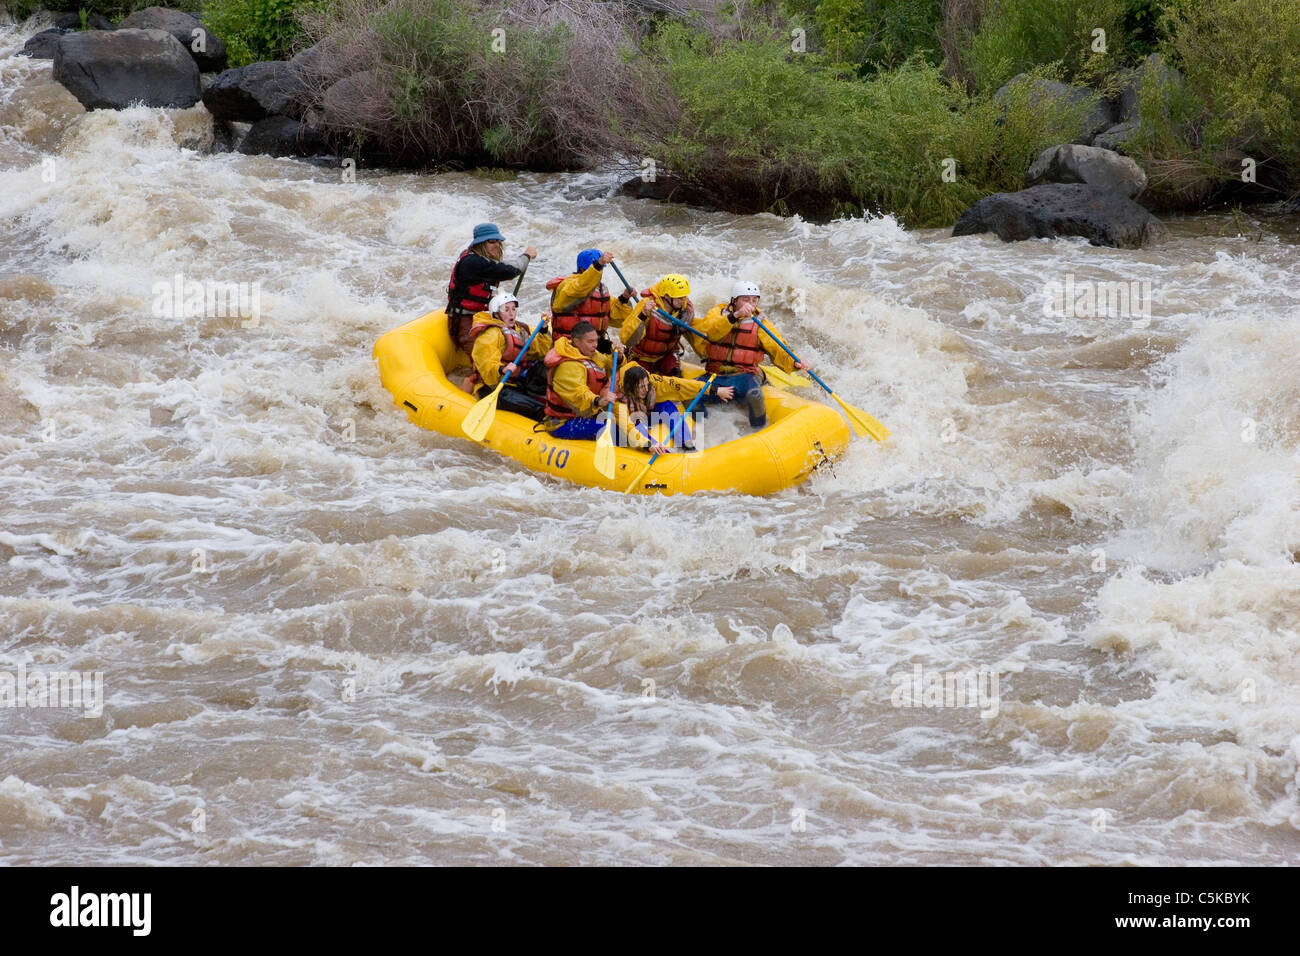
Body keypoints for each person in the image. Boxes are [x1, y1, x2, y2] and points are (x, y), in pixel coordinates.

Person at [690, 280, 808, 430]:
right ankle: (704, 426)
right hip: (716, 374)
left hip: (744, 375)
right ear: (734, 300)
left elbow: (778, 346)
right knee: (689, 393)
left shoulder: (760, 323)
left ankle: (758, 430)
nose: (750, 304)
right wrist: (736, 315)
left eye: (754, 300)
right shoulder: (717, 314)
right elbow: (712, 333)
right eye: (745, 299)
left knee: (754, 395)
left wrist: (794, 362)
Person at [446, 222, 537, 354]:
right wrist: (527, 256)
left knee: (523, 330)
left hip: (480, 317)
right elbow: (510, 271)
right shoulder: (473, 262)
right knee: (484, 355)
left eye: (499, 241)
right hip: (464, 322)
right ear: (480, 244)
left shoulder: (479, 260)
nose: (497, 245)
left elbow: (501, 266)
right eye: (492, 241)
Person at [467, 292, 551, 421]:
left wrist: (544, 330)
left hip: (517, 382)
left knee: (549, 373)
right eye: (506, 310)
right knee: (538, 408)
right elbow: (486, 364)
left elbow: (540, 352)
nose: (511, 313)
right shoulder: (490, 334)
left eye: (513, 309)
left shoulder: (519, 330)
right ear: (496, 313)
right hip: (493, 388)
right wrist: (502, 369)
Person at [616, 363, 734, 454]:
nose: (646, 390)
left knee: (667, 405)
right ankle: (660, 451)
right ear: (631, 387)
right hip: (632, 422)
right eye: (641, 387)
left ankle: (687, 445)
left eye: (647, 385)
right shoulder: (619, 399)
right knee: (638, 424)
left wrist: (714, 390)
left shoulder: (654, 382)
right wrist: (648, 445)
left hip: (648, 414)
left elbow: (682, 385)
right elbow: (627, 427)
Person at [540, 320, 616, 441]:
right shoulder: (567, 366)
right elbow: (578, 393)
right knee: (608, 428)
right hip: (562, 422)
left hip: (586, 414)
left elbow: (607, 365)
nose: (595, 345)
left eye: (596, 340)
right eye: (590, 341)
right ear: (576, 342)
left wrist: (619, 356)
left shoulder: (589, 353)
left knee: (617, 424)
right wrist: (598, 401)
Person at [545, 249, 632, 353]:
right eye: (594, 268)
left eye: (601, 269)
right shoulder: (569, 285)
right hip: (570, 344)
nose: (599, 273)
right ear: (582, 269)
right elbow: (582, 286)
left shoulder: (601, 288)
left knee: (624, 353)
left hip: (594, 344)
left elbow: (616, 317)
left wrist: (624, 297)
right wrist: (598, 264)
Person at [619, 273, 694, 376]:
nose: (683, 300)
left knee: (676, 374)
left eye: (684, 297)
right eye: (679, 298)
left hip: (666, 355)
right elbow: (626, 339)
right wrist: (643, 315)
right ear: (666, 296)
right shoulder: (647, 305)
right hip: (643, 356)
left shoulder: (684, 308)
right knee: (641, 379)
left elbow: (691, 318)